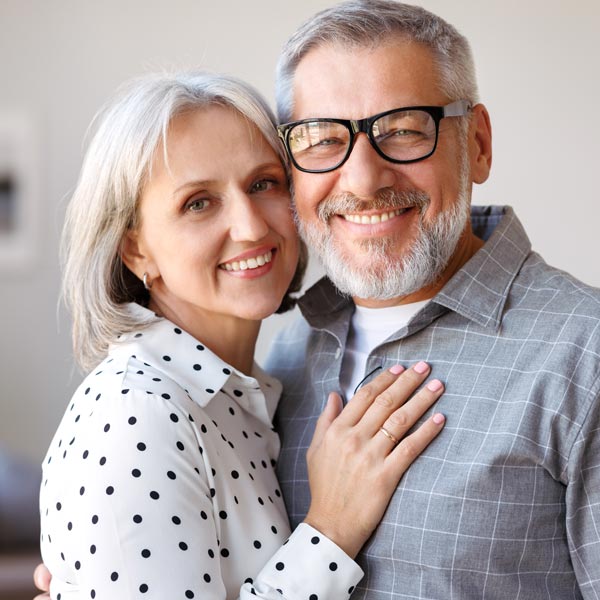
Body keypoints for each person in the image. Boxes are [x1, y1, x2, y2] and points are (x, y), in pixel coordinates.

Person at [36, 70, 447, 599]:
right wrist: (331, 531)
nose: (252, 226)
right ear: (135, 249)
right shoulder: (132, 414)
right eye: (198, 203)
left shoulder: (255, 388)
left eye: (263, 184)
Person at [266, 0, 600, 598]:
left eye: (402, 129)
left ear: (476, 144)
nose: (363, 180)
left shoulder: (587, 356)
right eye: (320, 139)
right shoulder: (283, 359)